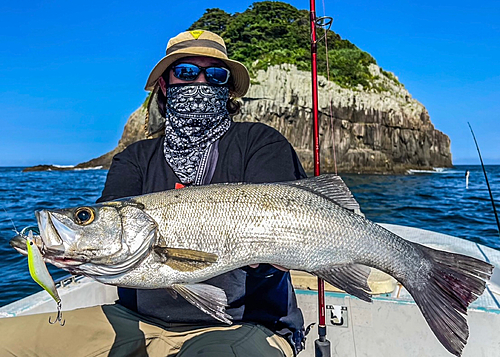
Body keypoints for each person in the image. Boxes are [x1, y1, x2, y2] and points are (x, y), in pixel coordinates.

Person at [0, 30, 306, 356]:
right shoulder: (135, 158)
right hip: (135, 320)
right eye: (186, 72)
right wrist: (81, 256)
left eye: (215, 74)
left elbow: (287, 225)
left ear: (227, 87)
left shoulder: (261, 143)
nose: (200, 82)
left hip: (244, 325)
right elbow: (113, 243)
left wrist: (275, 257)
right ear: (165, 84)